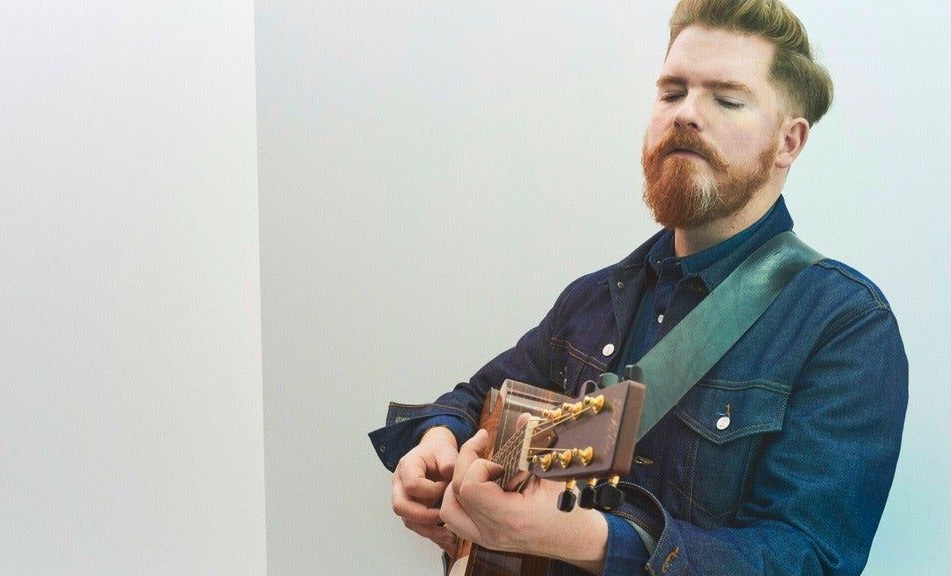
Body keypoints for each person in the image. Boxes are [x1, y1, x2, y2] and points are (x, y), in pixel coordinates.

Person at [368, 1, 908, 574]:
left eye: (726, 99)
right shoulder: (592, 299)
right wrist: (438, 440)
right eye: (672, 92)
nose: (687, 114)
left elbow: (808, 560)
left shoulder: (846, 326)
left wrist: (591, 540)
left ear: (788, 142)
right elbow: (475, 395)